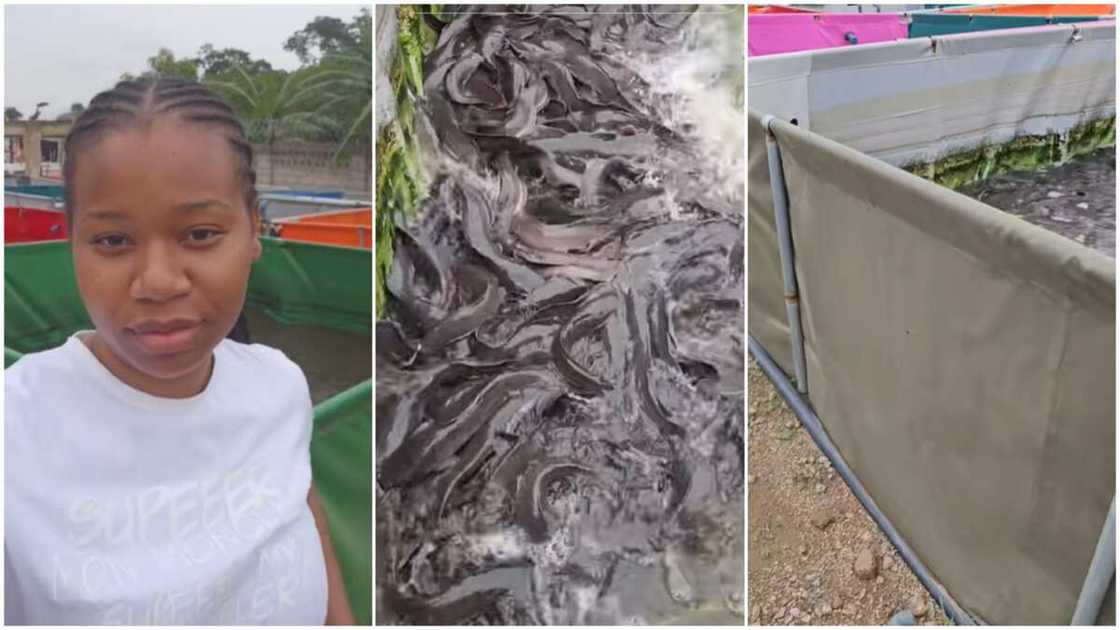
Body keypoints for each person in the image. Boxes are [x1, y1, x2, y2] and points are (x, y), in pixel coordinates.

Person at [4, 76, 354, 625]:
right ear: (71, 241)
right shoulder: (16, 429)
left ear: (254, 229)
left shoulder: (280, 385)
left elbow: (308, 524)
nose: (159, 282)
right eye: (113, 241)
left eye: (200, 234)